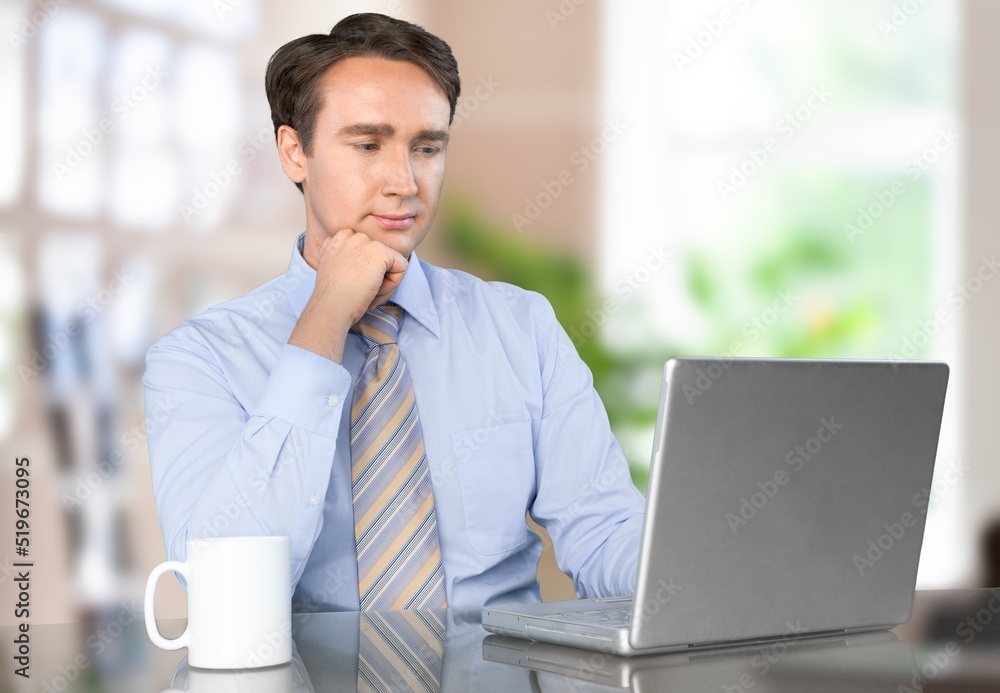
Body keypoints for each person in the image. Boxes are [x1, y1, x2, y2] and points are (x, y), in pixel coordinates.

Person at [144, 12, 644, 611]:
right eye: (367, 145)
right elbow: (225, 594)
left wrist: (706, 576)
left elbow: (606, 538)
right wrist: (325, 320)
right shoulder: (198, 360)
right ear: (294, 152)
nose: (404, 181)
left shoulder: (521, 329)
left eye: (426, 148)